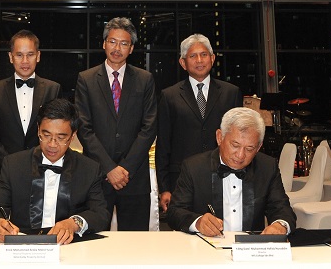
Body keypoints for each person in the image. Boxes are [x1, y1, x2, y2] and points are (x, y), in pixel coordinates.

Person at [0, 98, 110, 244]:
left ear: (73, 136)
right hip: (24, 246)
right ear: (38, 129)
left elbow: (100, 214)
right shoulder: (14, 164)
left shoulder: (89, 168)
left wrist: (73, 223)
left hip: (69, 247)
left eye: (61, 138)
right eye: (46, 135)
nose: (52, 144)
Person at [74, 17, 157, 231]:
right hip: (97, 177)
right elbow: (84, 128)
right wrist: (109, 168)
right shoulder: (86, 79)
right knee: (94, 241)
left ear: (131, 48)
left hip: (134, 178)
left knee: (135, 244)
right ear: (104, 44)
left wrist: (125, 168)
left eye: (123, 43)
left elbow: (149, 127)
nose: (117, 48)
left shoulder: (145, 79)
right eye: (112, 42)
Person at [166, 107, 295, 236]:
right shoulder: (194, 167)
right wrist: (198, 222)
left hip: (250, 246)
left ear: (258, 147)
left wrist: (280, 225)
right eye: (235, 145)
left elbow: (282, 209)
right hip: (205, 245)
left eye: (249, 149)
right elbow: (174, 212)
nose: (240, 155)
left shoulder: (267, 167)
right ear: (219, 137)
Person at [156, 33, 242, 212]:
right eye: (193, 56)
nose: (199, 60)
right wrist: (164, 188)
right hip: (181, 179)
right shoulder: (169, 96)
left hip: (224, 176)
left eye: (204, 54)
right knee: (185, 226)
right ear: (183, 63)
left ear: (212, 58)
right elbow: (163, 144)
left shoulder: (231, 93)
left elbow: (239, 138)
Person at [0, 30, 61, 187]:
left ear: (38, 56)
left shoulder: (52, 89)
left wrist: (37, 161)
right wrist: (11, 164)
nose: (25, 61)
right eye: (19, 55)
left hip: (42, 172)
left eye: (30, 54)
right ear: (11, 57)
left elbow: (55, 132)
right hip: (4, 172)